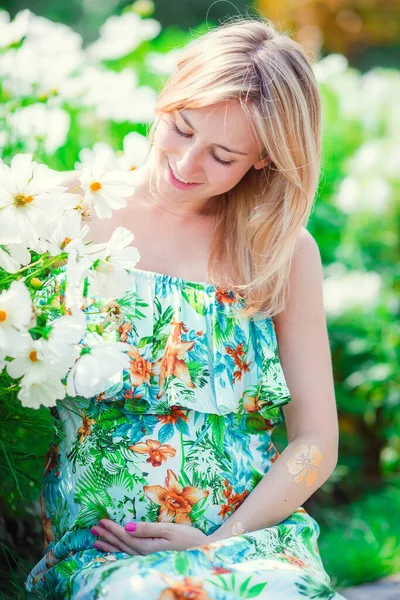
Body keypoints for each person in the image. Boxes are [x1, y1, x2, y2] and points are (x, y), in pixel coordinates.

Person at [25, 16, 346, 600]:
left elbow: (315, 438)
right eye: (181, 127)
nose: (187, 163)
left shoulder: (281, 253)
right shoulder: (60, 211)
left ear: (264, 161)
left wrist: (219, 539)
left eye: (223, 156)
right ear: (168, 96)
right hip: (103, 544)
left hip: (247, 540)